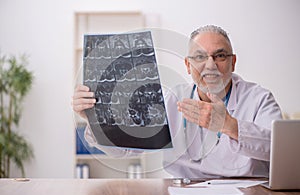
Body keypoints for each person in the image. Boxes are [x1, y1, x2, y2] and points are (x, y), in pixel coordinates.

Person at [72, 25, 282, 178]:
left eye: (220, 56)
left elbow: (280, 152)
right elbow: (124, 149)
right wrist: (93, 117)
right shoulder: (171, 99)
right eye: (200, 57)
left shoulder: (258, 99)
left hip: (249, 193)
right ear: (188, 66)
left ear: (233, 62)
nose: (210, 65)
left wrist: (229, 126)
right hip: (185, 191)